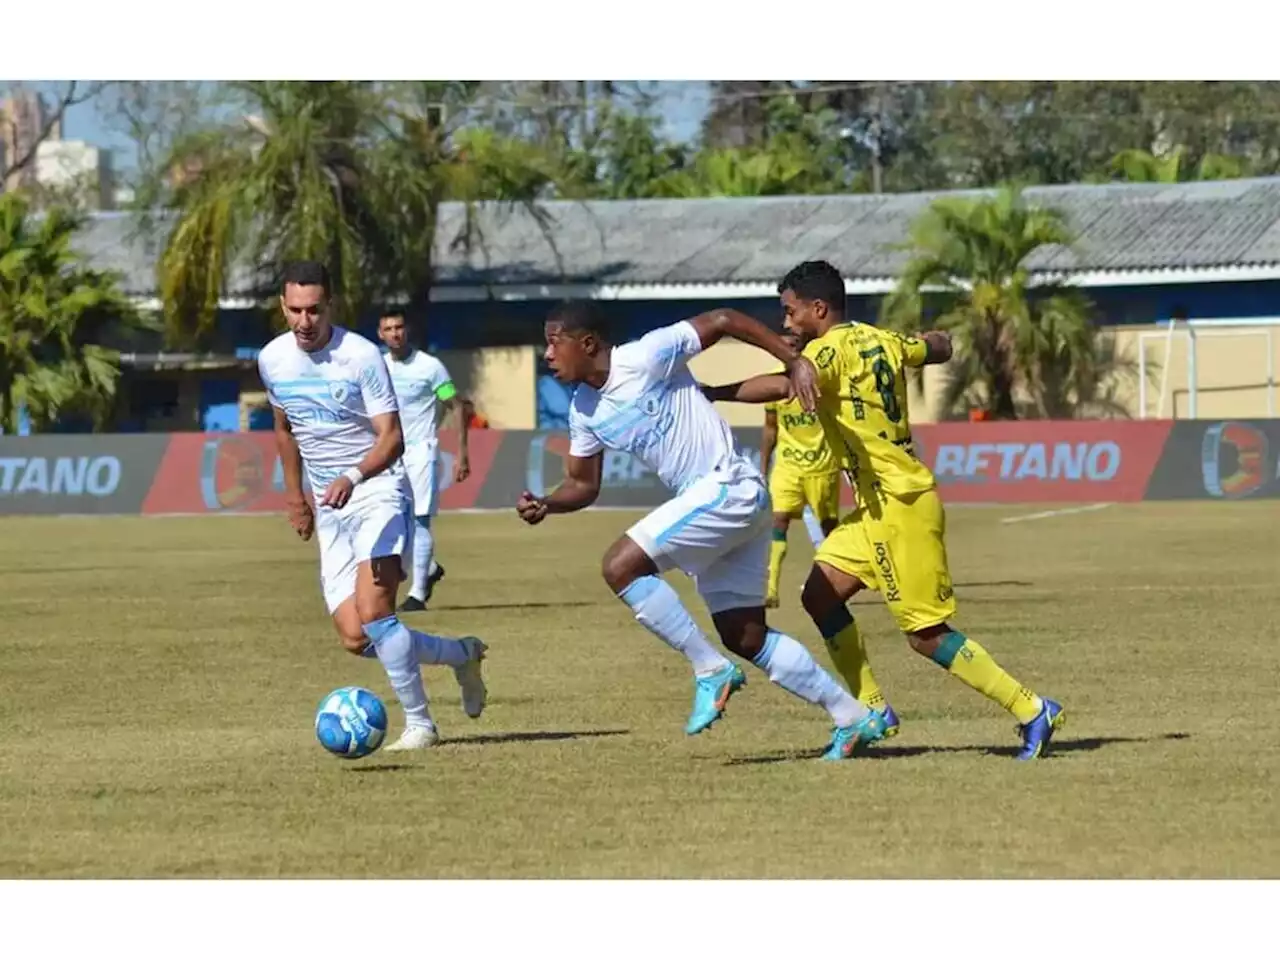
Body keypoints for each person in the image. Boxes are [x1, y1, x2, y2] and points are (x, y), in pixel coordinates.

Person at [703, 260, 1064, 760]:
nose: (785, 324)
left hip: (900, 507)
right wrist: (936, 341)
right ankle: (873, 708)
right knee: (819, 597)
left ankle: (1031, 708)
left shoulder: (826, 351)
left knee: (925, 635)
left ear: (818, 309)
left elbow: (787, 385)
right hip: (876, 508)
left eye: (790, 313)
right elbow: (937, 346)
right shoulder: (882, 339)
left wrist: (711, 394)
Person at [516, 301, 886, 760]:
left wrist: (794, 362)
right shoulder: (583, 411)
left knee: (620, 566)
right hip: (726, 503)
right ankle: (852, 717)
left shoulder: (646, 355)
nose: (547, 355)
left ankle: (709, 669)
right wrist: (549, 503)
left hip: (725, 485)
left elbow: (725, 320)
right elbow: (582, 483)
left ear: (587, 343)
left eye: (554, 343)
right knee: (746, 636)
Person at [259, 261, 487, 751]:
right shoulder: (272, 360)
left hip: (377, 488)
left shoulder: (363, 357)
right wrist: (294, 495)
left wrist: (354, 475)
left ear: (331, 307)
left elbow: (393, 438)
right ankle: (461, 655)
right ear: (283, 307)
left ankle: (421, 724)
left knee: (377, 612)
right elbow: (284, 429)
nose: (304, 321)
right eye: (295, 310)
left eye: (314, 310)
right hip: (329, 503)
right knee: (355, 636)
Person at [377, 313, 470, 612]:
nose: (395, 334)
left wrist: (462, 453)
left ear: (408, 330)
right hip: (388, 454)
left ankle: (417, 593)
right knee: (390, 519)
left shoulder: (429, 367)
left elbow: (455, 405)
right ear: (380, 334)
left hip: (420, 451)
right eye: (388, 329)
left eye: (399, 327)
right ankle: (428, 567)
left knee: (420, 519)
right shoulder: (376, 367)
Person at [757, 331, 844, 609]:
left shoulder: (819, 376)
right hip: (788, 466)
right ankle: (771, 590)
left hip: (822, 466)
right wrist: (762, 465)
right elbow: (771, 428)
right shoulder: (772, 382)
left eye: (794, 344)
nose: (788, 347)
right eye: (784, 343)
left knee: (829, 529)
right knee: (779, 520)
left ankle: (838, 580)